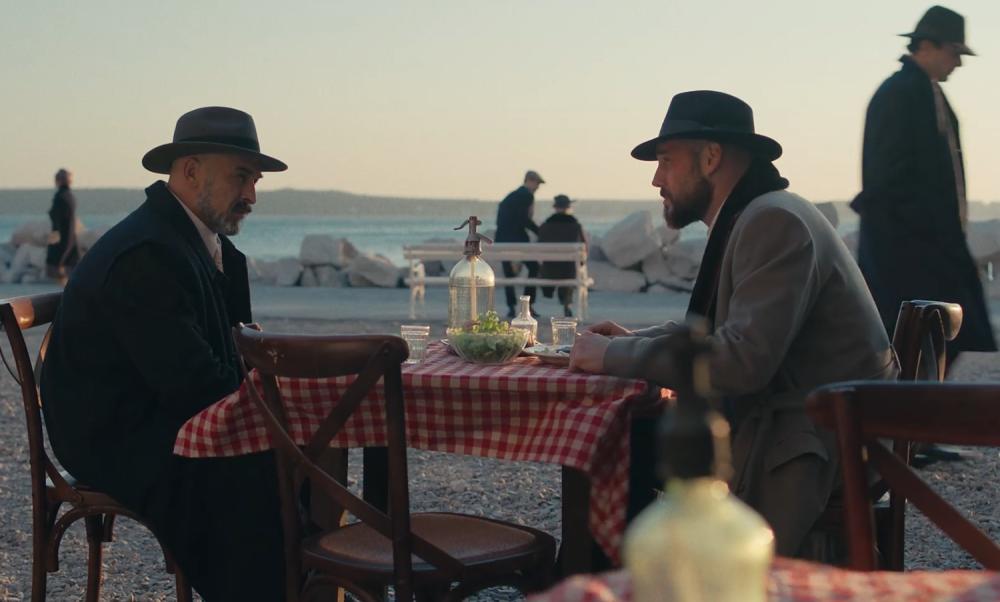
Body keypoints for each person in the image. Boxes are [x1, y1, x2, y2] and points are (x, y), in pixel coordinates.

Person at [569, 91, 897, 558]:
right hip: (814, 423)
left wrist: (613, 356)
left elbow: (742, 361)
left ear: (711, 157)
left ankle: (621, 574)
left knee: (619, 446)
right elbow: (721, 333)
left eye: (666, 161)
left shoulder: (773, 221)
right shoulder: (758, 212)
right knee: (628, 440)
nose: (657, 179)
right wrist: (636, 340)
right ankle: (620, 571)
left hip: (817, 444)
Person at [40, 107, 288, 601]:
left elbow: (220, 365)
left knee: (301, 453)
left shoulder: (193, 241)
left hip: (156, 413)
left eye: (255, 181)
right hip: (117, 436)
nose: (251, 196)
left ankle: (308, 579)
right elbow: (194, 388)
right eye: (241, 177)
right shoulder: (147, 254)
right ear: (190, 171)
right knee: (264, 471)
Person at [852, 5, 996, 366]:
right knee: (930, 353)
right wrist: (934, 245)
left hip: (929, 251)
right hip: (911, 257)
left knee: (952, 352)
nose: (958, 64)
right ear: (928, 46)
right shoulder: (901, 93)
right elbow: (888, 184)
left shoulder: (920, 91)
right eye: (954, 53)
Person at [496, 170, 544, 318]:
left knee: (509, 274)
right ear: (529, 181)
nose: (538, 187)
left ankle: (511, 307)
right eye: (537, 183)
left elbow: (502, 220)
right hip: (517, 238)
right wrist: (540, 232)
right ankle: (528, 306)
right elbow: (524, 220)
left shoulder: (510, 196)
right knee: (534, 267)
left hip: (502, 238)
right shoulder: (527, 196)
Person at [538, 194, 587, 317]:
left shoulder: (545, 225)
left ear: (555, 207)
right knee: (571, 267)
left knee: (556, 265)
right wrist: (582, 262)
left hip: (549, 271)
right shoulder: (575, 225)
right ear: (568, 207)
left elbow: (539, 246)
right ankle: (567, 303)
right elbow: (583, 246)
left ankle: (547, 294)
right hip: (568, 271)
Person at [46, 168, 80, 284]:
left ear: (58, 181)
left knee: (64, 284)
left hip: (63, 247)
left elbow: (62, 227)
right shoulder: (69, 197)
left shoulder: (61, 198)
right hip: (67, 245)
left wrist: (61, 258)